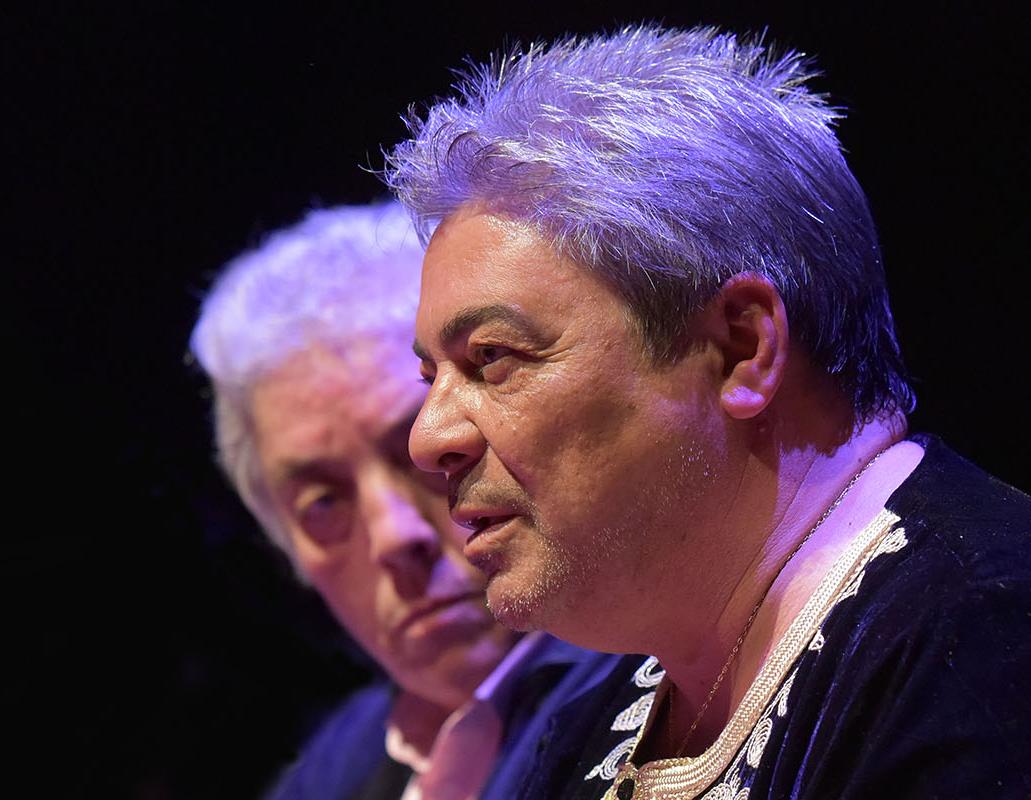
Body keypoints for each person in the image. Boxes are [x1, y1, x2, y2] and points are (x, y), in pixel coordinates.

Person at [384, 25, 1031, 799]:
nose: (429, 439)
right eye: (431, 376)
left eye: (493, 359)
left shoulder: (988, 646)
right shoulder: (585, 731)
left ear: (741, 348)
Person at [189, 202, 635, 800]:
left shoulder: (661, 682)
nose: (396, 535)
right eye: (322, 503)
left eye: (420, 453)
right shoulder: (328, 774)